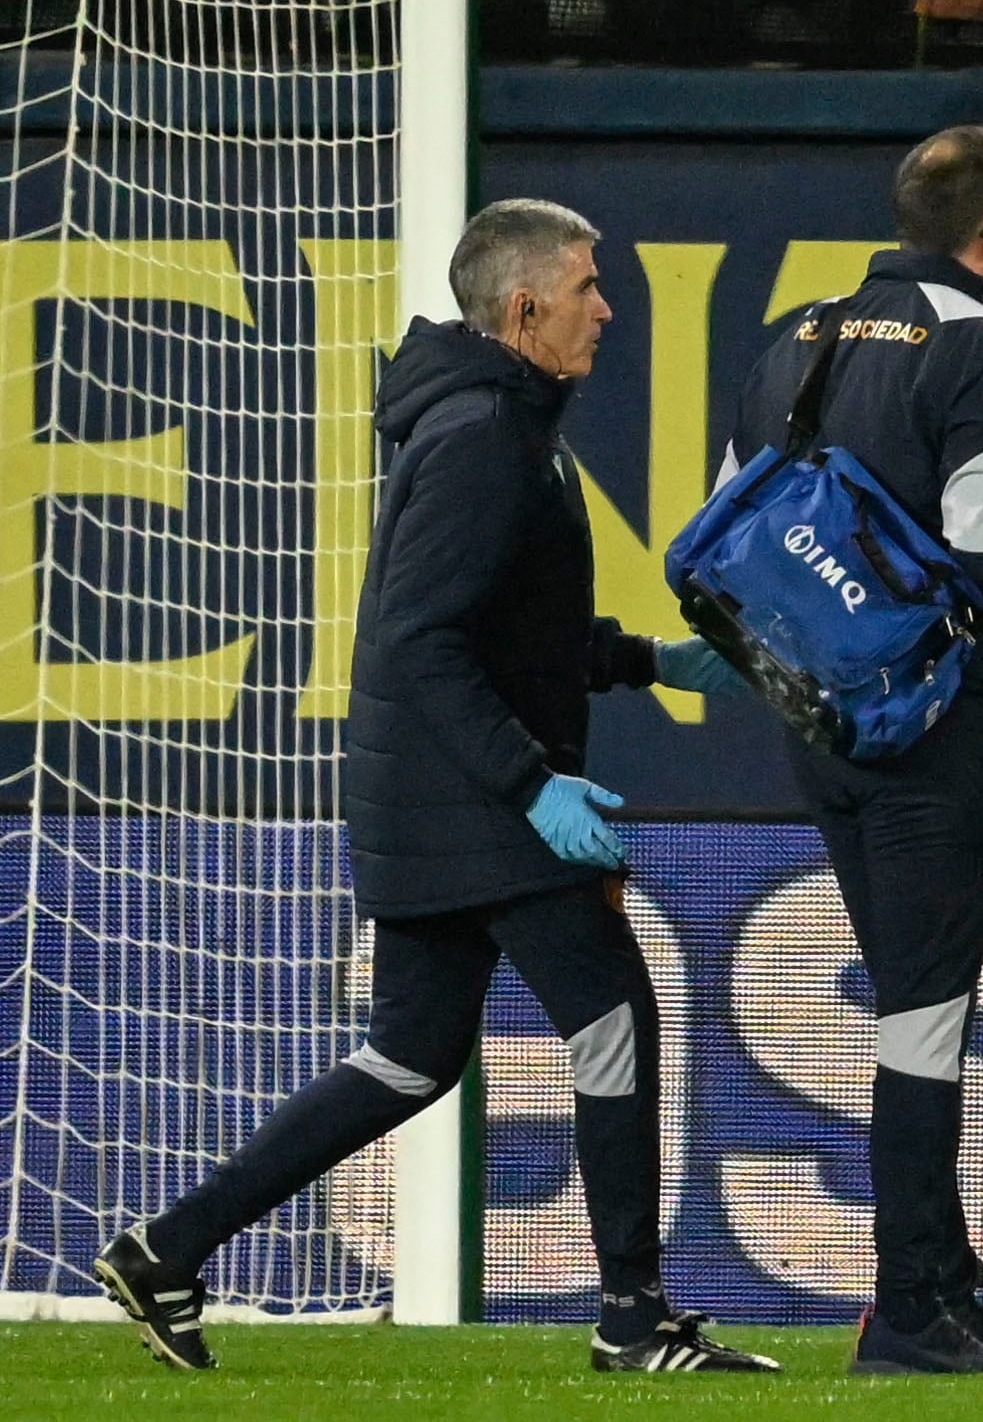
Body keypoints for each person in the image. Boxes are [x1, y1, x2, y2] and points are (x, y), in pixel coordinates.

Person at [95, 199, 769, 1374]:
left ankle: (167, 1248)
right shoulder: (483, 439)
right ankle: (632, 1315)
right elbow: (415, 640)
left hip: (432, 794)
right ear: (523, 309)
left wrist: (646, 661)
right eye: (585, 286)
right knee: (614, 1013)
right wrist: (533, 787)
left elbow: (510, 629)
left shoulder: (499, 423)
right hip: (474, 802)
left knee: (411, 1053)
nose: (605, 307)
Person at [722, 125, 983, 1376]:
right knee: (926, 1013)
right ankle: (908, 1309)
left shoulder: (801, 332)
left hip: (820, 724)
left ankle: (940, 1281)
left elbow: (733, 533)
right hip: (931, 724)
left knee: (912, 1000)